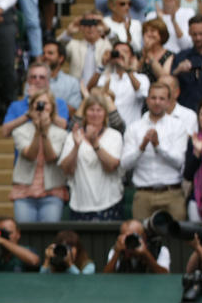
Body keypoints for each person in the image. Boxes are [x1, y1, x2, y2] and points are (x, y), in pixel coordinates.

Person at [122, 82, 188, 221]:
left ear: (169, 102)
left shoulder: (178, 126)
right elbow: (125, 164)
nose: (157, 102)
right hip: (143, 194)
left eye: (162, 98)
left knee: (176, 240)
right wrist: (141, 147)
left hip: (172, 193)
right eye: (153, 98)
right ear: (147, 100)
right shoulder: (134, 127)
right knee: (142, 239)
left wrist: (158, 146)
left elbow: (180, 161)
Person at [58, 92, 124, 221]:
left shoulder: (114, 135)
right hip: (79, 205)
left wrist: (95, 144)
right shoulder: (72, 136)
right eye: (91, 110)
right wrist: (76, 147)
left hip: (109, 202)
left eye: (99, 110)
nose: (95, 114)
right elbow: (66, 169)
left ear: (105, 113)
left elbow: (111, 166)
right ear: (85, 113)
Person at [11, 90, 69, 223]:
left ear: (52, 108)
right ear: (31, 107)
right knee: (26, 234)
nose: (42, 106)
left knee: (48, 234)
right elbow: (30, 155)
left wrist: (44, 132)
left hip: (52, 192)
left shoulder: (61, 134)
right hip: (24, 193)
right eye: (38, 103)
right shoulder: (20, 131)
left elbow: (51, 157)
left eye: (45, 103)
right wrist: (38, 131)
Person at [103, 219, 171, 273]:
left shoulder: (160, 250)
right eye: (127, 237)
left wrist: (146, 255)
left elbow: (165, 276)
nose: (131, 241)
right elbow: (107, 278)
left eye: (134, 237)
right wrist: (116, 254)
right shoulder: (116, 250)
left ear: (144, 237)